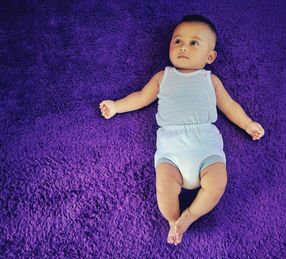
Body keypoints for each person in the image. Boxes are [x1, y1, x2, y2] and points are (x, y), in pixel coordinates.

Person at [99, 15, 265, 245]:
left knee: (217, 182)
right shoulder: (163, 77)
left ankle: (190, 216)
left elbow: (229, 106)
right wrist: (117, 106)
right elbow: (141, 97)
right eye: (177, 41)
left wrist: (247, 123)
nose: (183, 47)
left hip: (205, 147)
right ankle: (172, 221)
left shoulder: (210, 80)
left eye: (193, 43)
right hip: (171, 149)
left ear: (210, 56)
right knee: (164, 186)